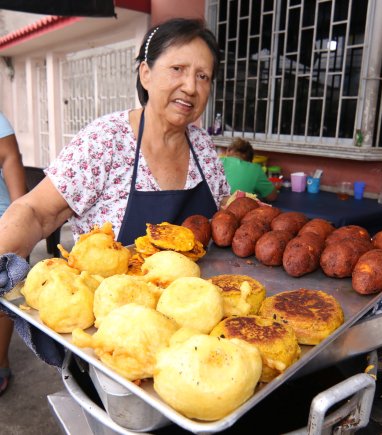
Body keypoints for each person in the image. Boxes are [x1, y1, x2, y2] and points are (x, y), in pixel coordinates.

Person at [0, 18, 230, 370]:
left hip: (193, 337)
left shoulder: (202, 146)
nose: (190, 86)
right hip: (115, 343)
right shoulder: (106, 140)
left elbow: (220, 216)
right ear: (146, 74)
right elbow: (37, 212)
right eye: (178, 69)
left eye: (202, 76)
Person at [0, 112, 27, 395]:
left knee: (3, 294)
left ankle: (0, 363)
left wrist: (20, 220)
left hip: (1, 221)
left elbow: (9, 158)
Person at [221, 137, 278, 201]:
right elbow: (272, 197)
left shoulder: (216, 161)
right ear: (250, 159)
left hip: (212, 207)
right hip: (238, 208)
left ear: (228, 150)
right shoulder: (255, 169)